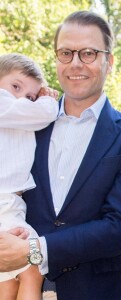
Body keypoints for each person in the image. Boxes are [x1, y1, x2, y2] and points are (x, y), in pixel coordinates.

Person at [0, 10, 121, 300]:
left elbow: (118, 227)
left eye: (88, 53)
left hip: (93, 290)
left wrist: (35, 250)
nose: (75, 63)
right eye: (66, 53)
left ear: (109, 62)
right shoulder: (24, 122)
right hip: (11, 283)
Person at [0, 53, 58, 300]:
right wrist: (46, 100)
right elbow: (42, 115)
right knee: (32, 268)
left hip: (11, 203)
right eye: (15, 86)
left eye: (29, 96)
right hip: (4, 203)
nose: (21, 98)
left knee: (9, 279)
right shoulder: (6, 104)